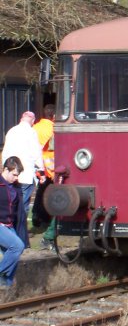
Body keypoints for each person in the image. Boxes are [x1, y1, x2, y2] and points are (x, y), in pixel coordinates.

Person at [1, 111, 43, 222]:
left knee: (11, 201)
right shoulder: (32, 132)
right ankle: (21, 227)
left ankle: (9, 223)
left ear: (21, 119)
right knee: (23, 204)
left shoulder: (11, 131)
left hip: (11, 172)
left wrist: (5, 169)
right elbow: (36, 153)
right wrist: (41, 170)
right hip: (26, 173)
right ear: (33, 121)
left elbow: (5, 152)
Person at [0, 156, 28, 288]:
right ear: (6, 169)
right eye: (14, 174)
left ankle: (6, 290)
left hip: (10, 226)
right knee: (17, 246)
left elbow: (19, 212)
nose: (16, 178)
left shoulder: (16, 187)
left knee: (13, 259)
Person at [32, 105, 56, 251]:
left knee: (41, 191)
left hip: (37, 165)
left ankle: (37, 216)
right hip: (50, 165)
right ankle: (48, 224)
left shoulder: (36, 127)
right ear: (53, 116)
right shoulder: (52, 128)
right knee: (52, 194)